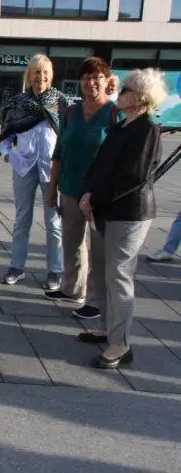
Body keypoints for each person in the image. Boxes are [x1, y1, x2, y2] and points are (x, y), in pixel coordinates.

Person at [77, 69, 165, 369]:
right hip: (105, 210)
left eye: (124, 88)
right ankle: (108, 328)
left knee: (119, 276)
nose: (118, 90)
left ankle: (121, 345)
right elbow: (100, 164)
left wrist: (95, 198)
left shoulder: (147, 130)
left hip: (128, 215)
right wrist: (88, 192)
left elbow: (133, 178)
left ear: (140, 98)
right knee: (104, 273)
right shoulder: (122, 125)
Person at [46, 57, 123, 320]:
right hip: (69, 187)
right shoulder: (71, 112)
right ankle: (71, 288)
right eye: (86, 77)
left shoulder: (114, 114)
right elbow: (59, 151)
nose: (91, 82)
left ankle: (95, 300)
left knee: (99, 247)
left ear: (107, 81)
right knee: (71, 242)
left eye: (96, 77)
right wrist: (52, 188)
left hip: (99, 195)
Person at [0, 55, 67, 291]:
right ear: (29, 75)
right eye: (36, 72)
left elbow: (67, 136)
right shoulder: (17, 103)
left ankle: (55, 270)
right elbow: (5, 137)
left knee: (54, 222)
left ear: (51, 76)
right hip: (24, 166)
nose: (41, 77)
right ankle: (16, 267)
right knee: (21, 219)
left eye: (45, 72)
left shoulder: (60, 101)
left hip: (52, 169)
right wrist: (9, 155)